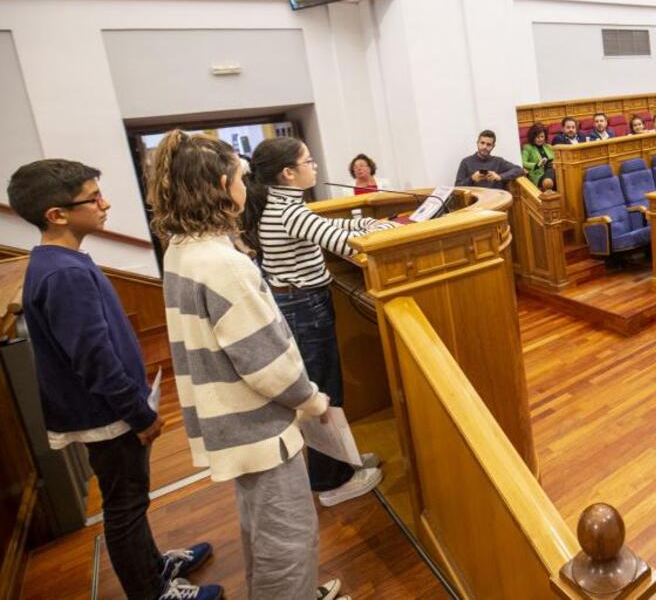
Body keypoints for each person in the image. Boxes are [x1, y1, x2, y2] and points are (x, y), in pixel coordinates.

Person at [144, 134, 348, 600]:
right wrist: (312, 400)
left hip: (228, 420)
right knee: (290, 539)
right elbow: (267, 364)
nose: (246, 184)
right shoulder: (223, 264)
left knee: (263, 530)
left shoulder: (181, 248)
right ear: (222, 183)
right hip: (257, 425)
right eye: (240, 176)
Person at [7, 160, 221, 600]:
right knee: (125, 506)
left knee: (132, 500)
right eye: (93, 197)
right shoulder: (63, 272)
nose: (105, 204)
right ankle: (151, 591)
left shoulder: (58, 261)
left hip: (107, 407)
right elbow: (94, 357)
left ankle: (154, 565)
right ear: (57, 214)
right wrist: (138, 412)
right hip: (106, 413)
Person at [242, 137, 387, 509]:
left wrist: (370, 220)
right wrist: (387, 230)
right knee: (323, 393)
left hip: (299, 303)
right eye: (308, 160)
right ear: (288, 172)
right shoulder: (290, 211)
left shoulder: (283, 204)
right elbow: (344, 243)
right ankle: (330, 479)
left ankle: (340, 462)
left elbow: (323, 227)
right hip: (305, 307)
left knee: (324, 388)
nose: (316, 165)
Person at [456, 130, 525, 188]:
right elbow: (457, 187)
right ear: (477, 143)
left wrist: (500, 177)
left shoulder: (498, 161)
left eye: (488, 144)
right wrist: (472, 179)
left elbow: (519, 169)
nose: (484, 147)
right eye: (482, 143)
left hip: (497, 200)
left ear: (493, 146)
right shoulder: (466, 162)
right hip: (476, 201)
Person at [521, 123, 556, 191]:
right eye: (537, 137)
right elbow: (523, 162)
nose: (540, 139)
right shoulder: (528, 148)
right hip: (539, 176)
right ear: (533, 137)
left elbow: (556, 158)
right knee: (552, 171)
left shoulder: (548, 146)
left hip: (553, 171)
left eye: (542, 137)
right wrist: (537, 164)